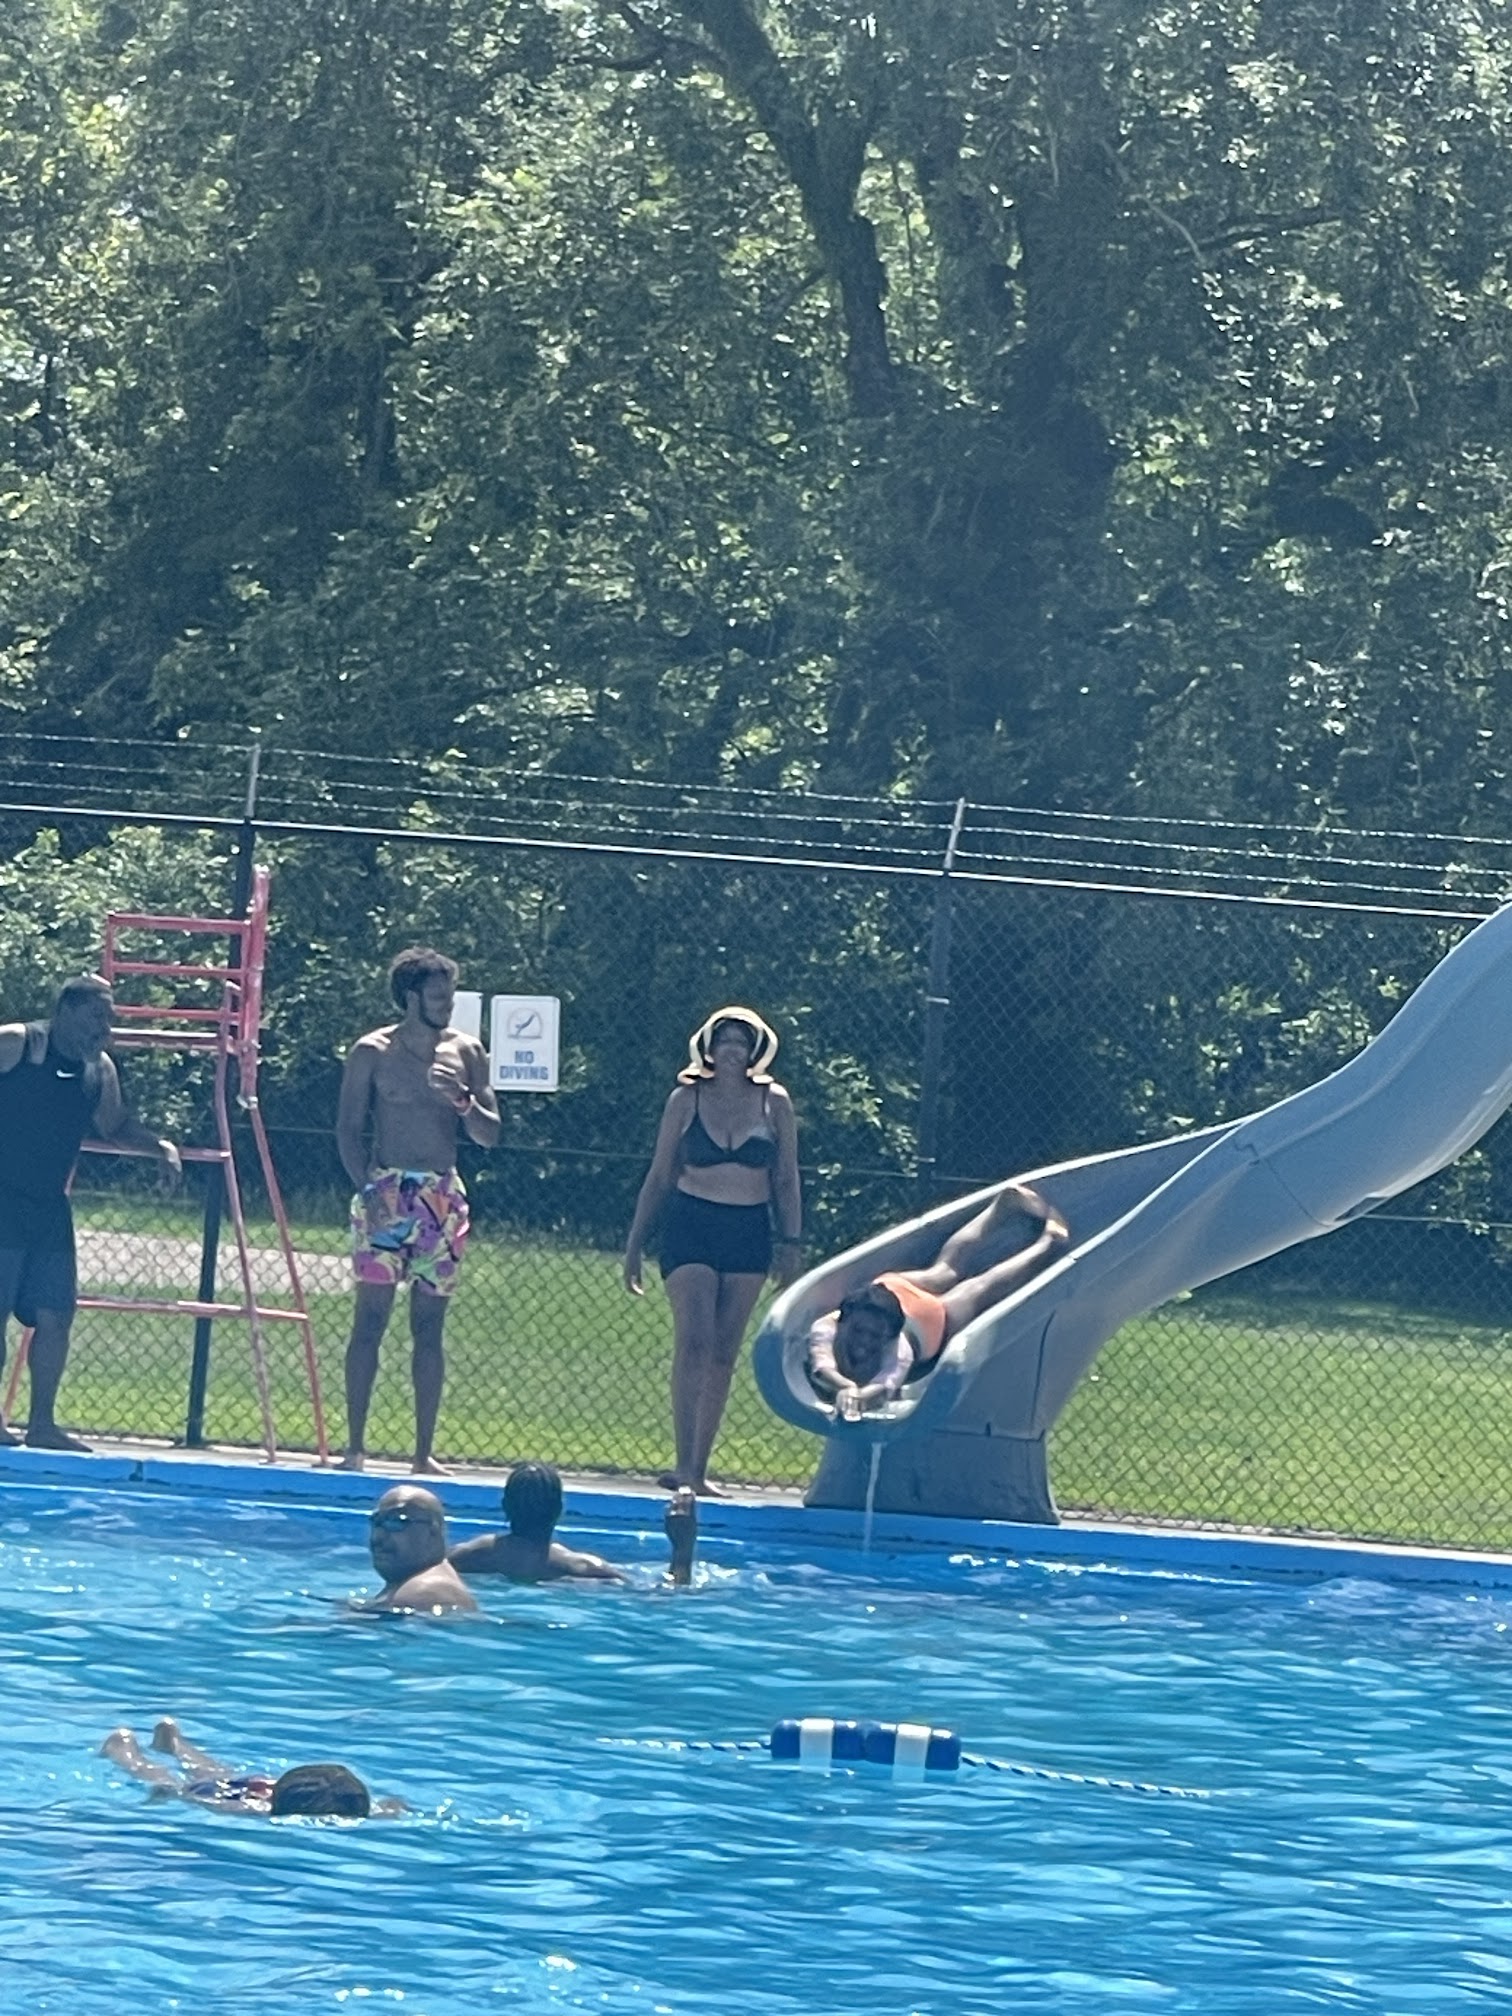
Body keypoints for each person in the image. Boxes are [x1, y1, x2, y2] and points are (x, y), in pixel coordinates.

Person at [623, 1007, 802, 1497]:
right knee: (696, 1341)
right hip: (691, 1226)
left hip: (748, 1231)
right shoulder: (686, 1099)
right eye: (724, 1041)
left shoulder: (774, 1103)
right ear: (709, 1047)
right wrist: (635, 1242)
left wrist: (791, 1243)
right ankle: (682, 1463)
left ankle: (700, 1470)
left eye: (741, 1042)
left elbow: (786, 1179)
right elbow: (659, 1175)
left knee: (723, 1351)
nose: (732, 1050)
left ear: (754, 1051)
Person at [0, 975, 181, 1453]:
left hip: (47, 1205)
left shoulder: (98, 1069)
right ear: (64, 1010)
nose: (104, 1028)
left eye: (109, 1019)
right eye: (95, 1016)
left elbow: (114, 1124)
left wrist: (159, 1147)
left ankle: (42, 1424)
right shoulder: (18, 1044)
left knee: (55, 1314)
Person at [337, 948, 500, 1476]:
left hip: (441, 1196)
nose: (447, 1006)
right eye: (437, 997)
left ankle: (422, 1453)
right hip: (387, 1189)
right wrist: (368, 1189)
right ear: (411, 998)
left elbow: (490, 1134)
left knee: (429, 1328)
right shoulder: (372, 1052)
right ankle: (354, 1447)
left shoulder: (467, 1052)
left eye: (450, 997)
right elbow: (347, 1129)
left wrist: (462, 1101)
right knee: (370, 1320)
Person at [807, 1181, 1071, 1417]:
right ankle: (1001, 1207)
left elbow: (885, 1385)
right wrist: (848, 1387)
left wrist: (855, 1394)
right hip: (890, 1289)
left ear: (889, 1337)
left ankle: (1049, 1243)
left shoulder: (899, 1348)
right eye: (858, 1331)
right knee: (945, 1272)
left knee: (979, 1287)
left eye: (874, 1337)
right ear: (842, 1322)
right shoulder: (825, 1327)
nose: (863, 1343)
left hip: (927, 1319)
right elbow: (821, 1365)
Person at [449, 1462, 700, 1586]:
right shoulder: (584, 1569)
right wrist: (682, 1551)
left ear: (505, 1506)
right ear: (559, 1509)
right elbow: (667, 1593)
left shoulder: (467, 1557)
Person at [101, 1718, 394, 1816]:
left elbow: (390, 1807)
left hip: (262, 1785)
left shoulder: (355, 1804)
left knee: (217, 1772)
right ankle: (123, 1750)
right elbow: (198, 1799)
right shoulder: (247, 1810)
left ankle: (174, 1742)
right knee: (168, 1780)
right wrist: (172, 1795)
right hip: (235, 1793)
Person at [357, 1482, 478, 1613]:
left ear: (433, 1530)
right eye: (376, 1523)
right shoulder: (409, 1587)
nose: (377, 1537)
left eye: (396, 1522)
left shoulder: (426, 1592)